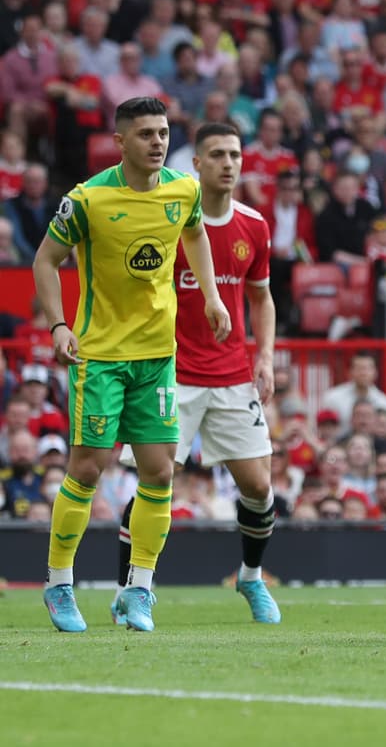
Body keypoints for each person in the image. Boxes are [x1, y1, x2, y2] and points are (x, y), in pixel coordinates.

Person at [35, 97, 232, 633]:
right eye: (145, 134)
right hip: (100, 355)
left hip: (157, 356)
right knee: (88, 467)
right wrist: (58, 325)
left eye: (163, 132)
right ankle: (58, 583)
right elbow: (45, 260)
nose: (157, 142)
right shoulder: (88, 199)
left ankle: (138, 590)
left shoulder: (184, 189)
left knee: (160, 471)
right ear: (120, 142)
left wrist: (212, 296)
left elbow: (195, 232)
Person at [114, 122, 280, 625]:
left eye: (235, 155)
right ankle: (132, 589)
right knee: (155, 480)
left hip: (232, 375)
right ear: (197, 164)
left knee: (259, 488)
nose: (229, 163)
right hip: (171, 373)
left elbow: (261, 297)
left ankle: (251, 577)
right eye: (218, 155)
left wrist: (265, 356)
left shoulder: (254, 225)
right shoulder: (167, 220)